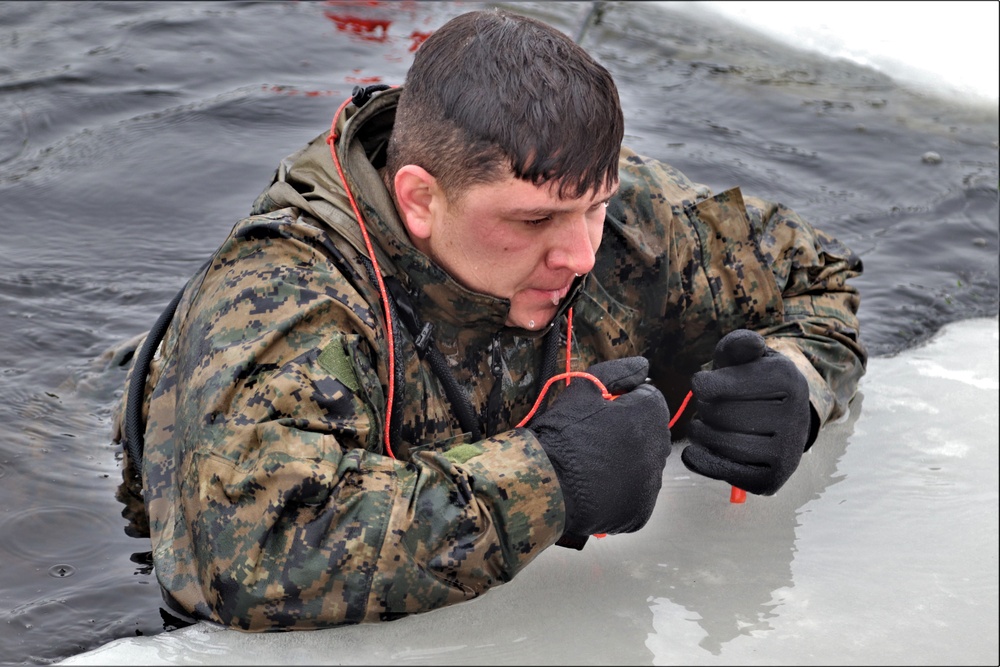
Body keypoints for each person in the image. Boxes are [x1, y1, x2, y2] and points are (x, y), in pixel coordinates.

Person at [112, 8, 867, 631]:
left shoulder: (623, 217)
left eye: (593, 206)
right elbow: (254, 554)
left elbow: (819, 275)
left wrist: (794, 387)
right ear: (419, 199)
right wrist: (551, 478)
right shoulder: (288, 295)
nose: (578, 253)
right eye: (533, 220)